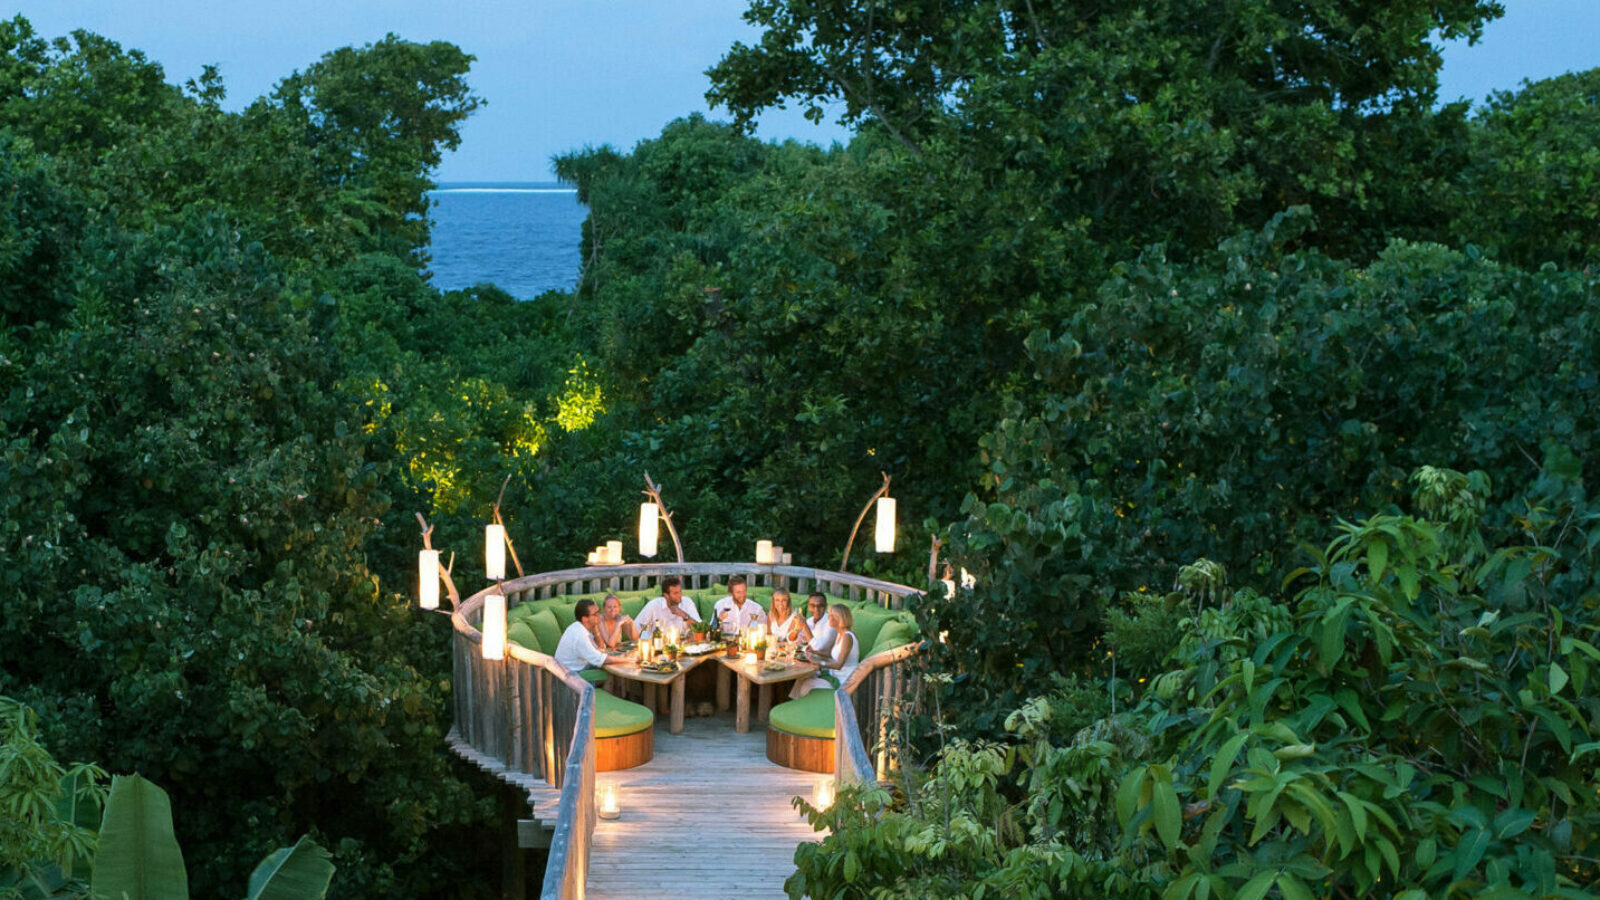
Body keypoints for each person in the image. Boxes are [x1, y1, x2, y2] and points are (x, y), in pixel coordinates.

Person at [792, 603, 858, 698]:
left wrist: (819, 663)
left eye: (831, 615)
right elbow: (832, 654)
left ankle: (806, 707)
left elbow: (839, 664)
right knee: (801, 680)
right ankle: (795, 705)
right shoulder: (841, 633)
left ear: (838, 618)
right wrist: (815, 652)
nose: (828, 618)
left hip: (843, 680)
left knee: (808, 685)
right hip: (834, 674)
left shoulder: (848, 637)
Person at [554, 598, 629, 677]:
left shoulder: (579, 627)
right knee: (611, 673)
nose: (599, 615)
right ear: (585, 619)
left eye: (598, 612)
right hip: (571, 676)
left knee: (613, 666)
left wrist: (596, 630)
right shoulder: (580, 635)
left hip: (576, 668)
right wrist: (630, 660)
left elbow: (600, 649)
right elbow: (600, 659)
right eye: (595, 614)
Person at [634, 576, 700, 638]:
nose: (679, 595)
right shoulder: (654, 605)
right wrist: (648, 641)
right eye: (676, 593)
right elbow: (638, 628)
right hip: (659, 645)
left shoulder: (687, 602)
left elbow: (700, 628)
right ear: (666, 595)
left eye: (680, 591)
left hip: (685, 645)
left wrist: (684, 615)